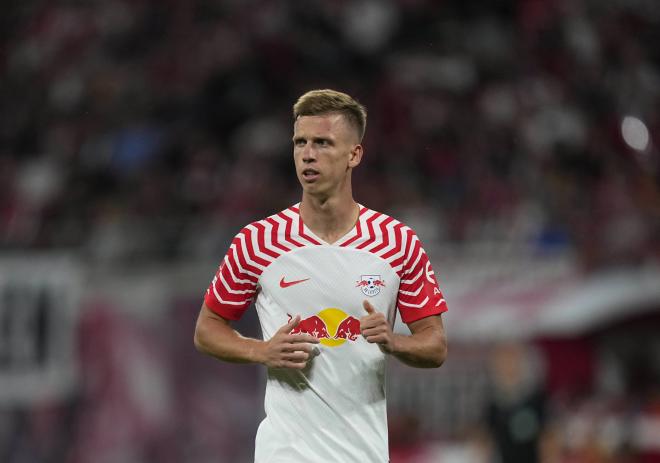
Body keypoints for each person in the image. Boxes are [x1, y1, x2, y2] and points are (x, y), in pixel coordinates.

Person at [194, 89, 448, 462]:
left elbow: (435, 345)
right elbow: (207, 329)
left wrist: (393, 342)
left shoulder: (397, 242)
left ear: (354, 154)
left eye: (323, 143)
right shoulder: (257, 241)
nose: (308, 154)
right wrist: (261, 350)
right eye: (301, 142)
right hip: (285, 451)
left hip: (363, 452)